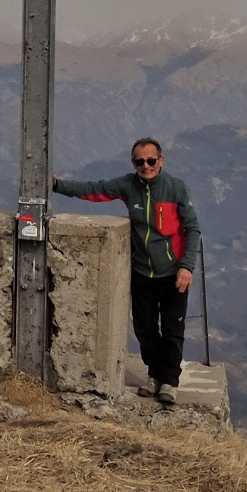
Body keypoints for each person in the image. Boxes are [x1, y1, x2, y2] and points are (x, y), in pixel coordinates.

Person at [52, 137, 201, 405]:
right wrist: (57, 185)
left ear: (161, 161)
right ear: (133, 164)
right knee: (144, 330)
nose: (146, 166)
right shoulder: (128, 185)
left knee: (171, 330)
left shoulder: (176, 188)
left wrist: (186, 267)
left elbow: (193, 229)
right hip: (142, 274)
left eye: (151, 160)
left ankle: (170, 381)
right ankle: (154, 375)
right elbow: (94, 190)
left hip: (172, 275)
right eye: (140, 161)